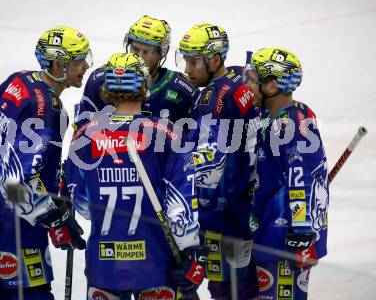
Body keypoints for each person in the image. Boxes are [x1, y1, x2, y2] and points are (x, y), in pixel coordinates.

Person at [0, 26, 90, 300]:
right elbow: (15, 182)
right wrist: (53, 217)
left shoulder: (19, 80)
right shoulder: (48, 110)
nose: (85, 66)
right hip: (10, 222)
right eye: (78, 60)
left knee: (5, 289)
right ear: (58, 64)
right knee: (30, 293)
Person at [65, 52, 208, 300]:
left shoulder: (84, 136)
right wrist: (191, 252)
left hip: (103, 266)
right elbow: (180, 208)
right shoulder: (167, 133)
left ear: (106, 89)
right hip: (156, 265)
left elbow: (82, 205)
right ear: (144, 85)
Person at [175, 23, 259, 300]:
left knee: (226, 291)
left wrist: (172, 169)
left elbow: (210, 169)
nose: (187, 69)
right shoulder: (238, 78)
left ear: (214, 59)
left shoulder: (213, 100)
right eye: (185, 60)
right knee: (241, 290)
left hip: (224, 216)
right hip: (245, 207)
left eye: (194, 61)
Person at [245, 47, 329, 300]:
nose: (247, 86)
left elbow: (300, 177)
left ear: (271, 87)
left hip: (285, 236)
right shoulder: (272, 116)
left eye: (253, 80)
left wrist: (301, 229)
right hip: (269, 228)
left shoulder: (290, 124)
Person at [76, 15, 197, 124]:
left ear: (162, 54)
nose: (139, 56)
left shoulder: (183, 90)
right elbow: (81, 133)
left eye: (148, 51)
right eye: (135, 48)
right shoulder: (100, 80)